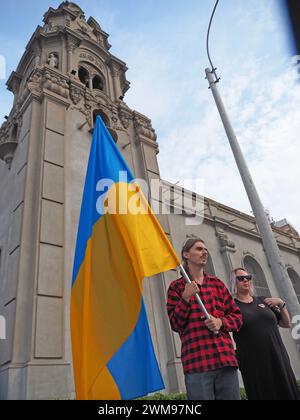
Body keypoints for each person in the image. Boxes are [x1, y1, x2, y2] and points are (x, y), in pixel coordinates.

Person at [167, 238, 243, 400]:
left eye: (206, 249)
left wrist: (220, 322)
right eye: (199, 249)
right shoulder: (176, 287)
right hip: (197, 363)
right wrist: (185, 298)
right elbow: (175, 323)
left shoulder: (217, 284)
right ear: (186, 254)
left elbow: (237, 317)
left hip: (225, 360)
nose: (205, 252)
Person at [230, 267, 300, 400]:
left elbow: (286, 323)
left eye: (248, 277)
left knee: (286, 391)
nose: (245, 280)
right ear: (234, 282)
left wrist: (281, 304)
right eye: (241, 278)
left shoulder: (262, 300)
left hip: (277, 355)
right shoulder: (232, 306)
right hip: (254, 363)